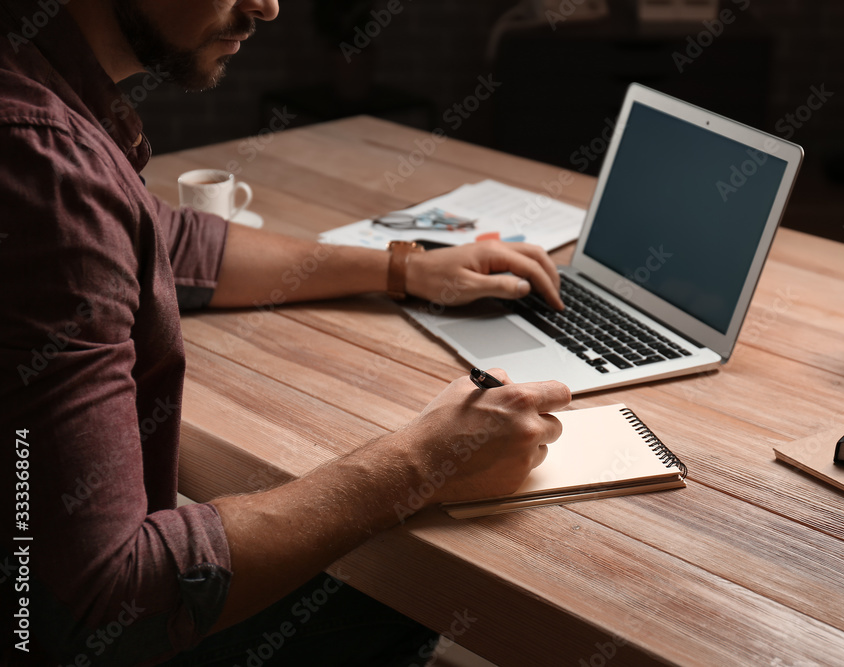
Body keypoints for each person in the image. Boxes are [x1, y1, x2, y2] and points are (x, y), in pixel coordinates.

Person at [0, 0, 572, 664]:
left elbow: (167, 238)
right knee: (392, 586)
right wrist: (421, 463)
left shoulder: (34, 80)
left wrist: (407, 267)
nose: (267, 5)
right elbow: (106, 600)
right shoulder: (39, 159)